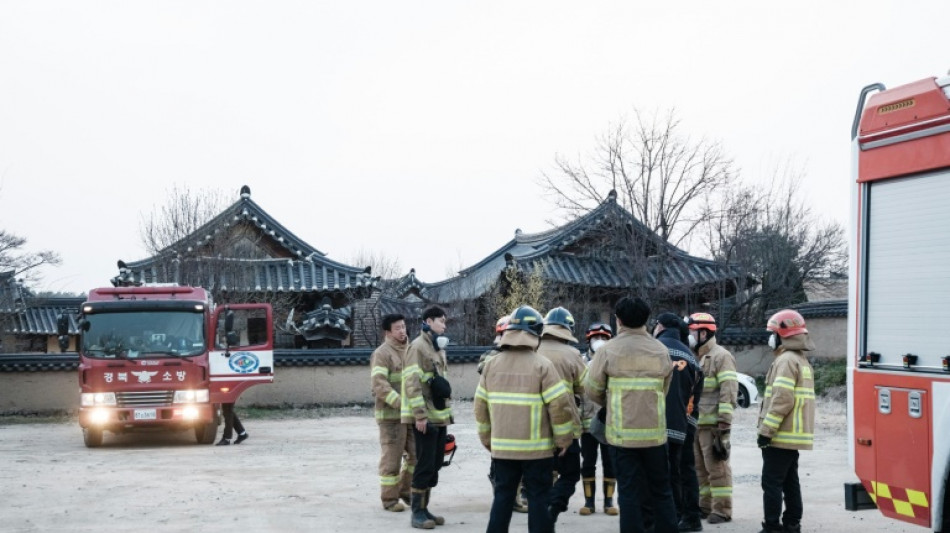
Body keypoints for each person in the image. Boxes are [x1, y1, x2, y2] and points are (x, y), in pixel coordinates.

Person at [474, 305, 576, 533]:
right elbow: (560, 407)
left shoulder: (491, 365)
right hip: (537, 452)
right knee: (538, 500)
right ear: (535, 333)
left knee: (502, 499)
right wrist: (563, 441)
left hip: (502, 450)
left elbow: (480, 408)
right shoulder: (542, 365)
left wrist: (488, 440)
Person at [587, 297, 677, 533]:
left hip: (621, 436)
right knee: (661, 491)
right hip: (655, 438)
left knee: (628, 494)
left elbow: (592, 389)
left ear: (618, 320)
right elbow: (664, 389)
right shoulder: (661, 350)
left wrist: (612, 404)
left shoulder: (608, 350)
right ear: (646, 320)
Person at [756, 310, 816, 533]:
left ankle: (771, 526)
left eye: (772, 333)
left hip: (781, 434)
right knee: (790, 481)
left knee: (771, 482)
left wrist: (766, 431)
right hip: (794, 435)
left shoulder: (785, 361)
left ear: (783, 335)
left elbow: (781, 399)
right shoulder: (801, 360)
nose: (769, 338)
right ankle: (792, 523)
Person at [402, 306, 453, 529]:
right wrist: (420, 416)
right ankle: (417, 513)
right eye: (441, 321)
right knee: (423, 464)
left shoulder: (437, 347)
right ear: (428, 321)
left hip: (439, 416)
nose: (444, 325)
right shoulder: (417, 347)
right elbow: (412, 384)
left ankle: (425, 508)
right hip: (425, 418)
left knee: (434, 464)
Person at [652, 313, 703, 532]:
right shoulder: (691, 357)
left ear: (660, 327)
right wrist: (688, 422)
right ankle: (691, 517)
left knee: (660, 473)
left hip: (654, 424)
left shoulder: (652, 350)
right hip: (683, 424)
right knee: (685, 470)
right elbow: (695, 395)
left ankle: (665, 518)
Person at [537, 306, 587, 525]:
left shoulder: (532, 348)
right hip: (565, 423)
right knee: (570, 473)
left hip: (535, 425)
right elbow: (586, 387)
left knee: (541, 474)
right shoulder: (572, 354)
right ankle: (553, 506)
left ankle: (541, 511)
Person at [686, 312, 737, 525]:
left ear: (704, 332)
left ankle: (722, 510)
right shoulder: (693, 356)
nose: (688, 336)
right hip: (696, 423)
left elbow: (729, 389)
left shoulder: (721, 356)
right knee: (699, 469)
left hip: (714, 424)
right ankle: (705, 507)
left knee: (717, 468)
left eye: (692, 332)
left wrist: (724, 420)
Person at [479, 315, 529, 514]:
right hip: (496, 414)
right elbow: (482, 368)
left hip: (516, 412)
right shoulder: (491, 356)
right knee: (499, 458)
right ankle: (506, 494)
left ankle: (515, 494)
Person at [370, 313, 415, 512]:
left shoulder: (413, 351)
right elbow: (379, 385)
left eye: (404, 326)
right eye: (397, 328)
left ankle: (406, 491)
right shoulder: (382, 353)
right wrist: (400, 403)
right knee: (392, 458)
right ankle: (389, 499)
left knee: (416, 456)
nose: (402, 331)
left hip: (412, 415)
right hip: (390, 417)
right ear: (388, 332)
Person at [579, 322, 619, 517]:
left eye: (604, 338)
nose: (600, 341)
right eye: (596, 338)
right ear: (588, 340)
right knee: (588, 462)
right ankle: (589, 501)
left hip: (609, 423)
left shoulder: (616, 362)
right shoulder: (580, 362)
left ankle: (609, 501)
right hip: (587, 424)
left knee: (610, 462)